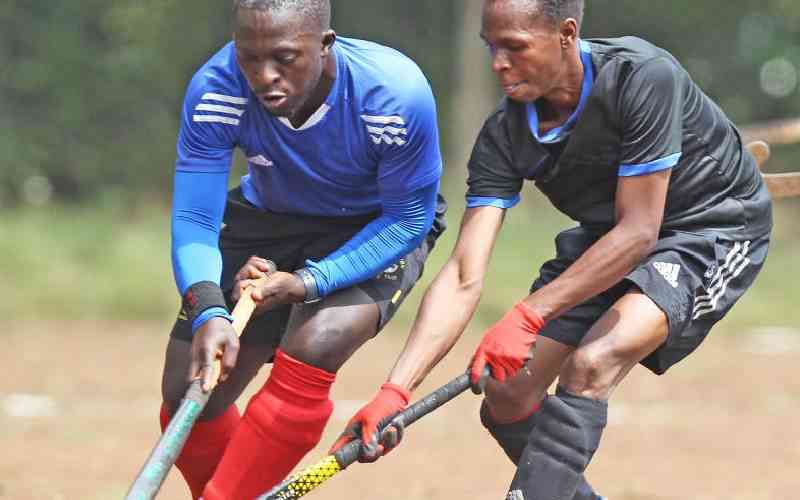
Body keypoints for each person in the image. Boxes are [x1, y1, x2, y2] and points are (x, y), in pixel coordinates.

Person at [332, 0, 773, 498]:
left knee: (593, 362)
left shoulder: (643, 76)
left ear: (566, 34)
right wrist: (396, 389)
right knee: (508, 393)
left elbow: (639, 233)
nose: (499, 63)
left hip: (710, 229)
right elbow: (462, 273)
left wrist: (528, 315)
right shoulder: (505, 135)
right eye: (491, 47)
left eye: (514, 47)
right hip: (609, 234)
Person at [159, 0, 447, 498]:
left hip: (373, 224)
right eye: (249, 57)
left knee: (319, 338)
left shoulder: (393, 94)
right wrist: (209, 310)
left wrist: (309, 281)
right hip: (269, 215)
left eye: (285, 58)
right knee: (190, 393)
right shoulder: (216, 88)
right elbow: (195, 217)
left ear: (325, 46)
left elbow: (409, 218)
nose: (264, 76)